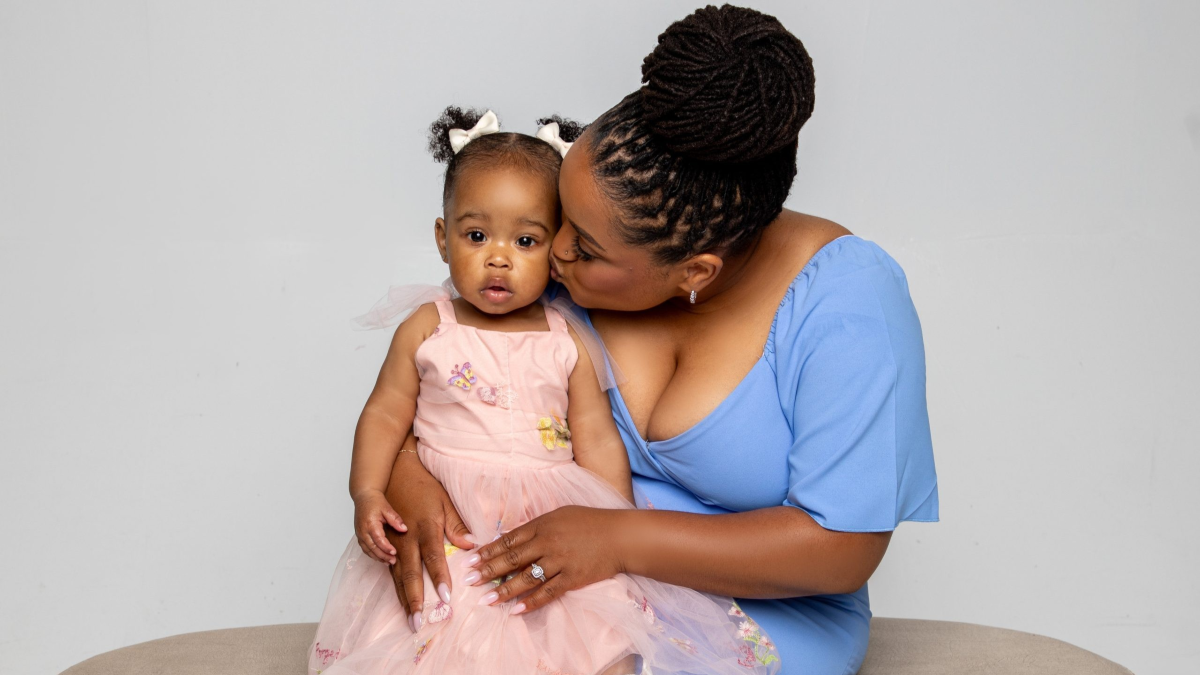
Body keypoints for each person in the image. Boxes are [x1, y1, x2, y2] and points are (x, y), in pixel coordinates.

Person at [379, 6, 939, 675]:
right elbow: (447, 370)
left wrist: (614, 537)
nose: (551, 253)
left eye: (582, 248)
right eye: (556, 219)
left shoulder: (850, 305)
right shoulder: (592, 234)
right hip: (546, 574)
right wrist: (407, 471)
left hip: (756, 607)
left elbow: (841, 546)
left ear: (693, 272)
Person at [307, 107, 782, 675]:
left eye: (527, 240)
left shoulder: (567, 336)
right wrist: (366, 491)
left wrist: (616, 525)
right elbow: (385, 413)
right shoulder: (428, 326)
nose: (499, 256)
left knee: (595, 633)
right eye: (476, 235)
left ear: (557, 246)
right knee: (444, 620)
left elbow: (597, 439)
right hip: (460, 512)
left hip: (548, 510)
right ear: (442, 237)